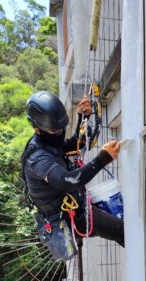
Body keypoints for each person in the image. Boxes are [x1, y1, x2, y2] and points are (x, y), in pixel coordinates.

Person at [21, 91, 124, 249]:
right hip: (70, 218)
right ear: (37, 129)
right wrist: (104, 158)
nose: (60, 133)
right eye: (56, 131)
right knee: (122, 230)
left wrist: (84, 117)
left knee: (124, 217)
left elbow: (78, 143)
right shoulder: (37, 158)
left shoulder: (51, 139)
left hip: (78, 203)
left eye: (63, 128)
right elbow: (67, 181)